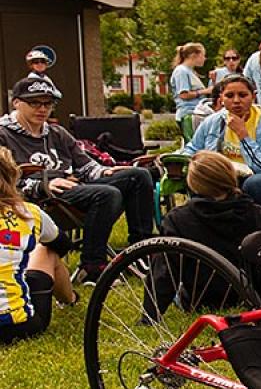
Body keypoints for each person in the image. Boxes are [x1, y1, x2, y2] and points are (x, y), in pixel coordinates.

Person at [1, 78, 155, 284]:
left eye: (48, 104)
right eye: (35, 103)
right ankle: (91, 266)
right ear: (17, 103)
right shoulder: (4, 135)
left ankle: (139, 253)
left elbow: (86, 167)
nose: (42, 109)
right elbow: (4, 181)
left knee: (138, 176)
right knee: (107, 194)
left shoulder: (56, 133)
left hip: (72, 189)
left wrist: (105, 172)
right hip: (36, 198)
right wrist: (41, 185)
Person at [160, 150, 261, 280]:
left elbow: (166, 270)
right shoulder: (258, 213)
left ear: (193, 183)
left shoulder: (176, 219)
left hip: (199, 292)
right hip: (252, 289)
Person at [181, 75, 261, 228]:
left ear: (253, 96)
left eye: (242, 95)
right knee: (202, 176)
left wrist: (243, 135)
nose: (236, 101)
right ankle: (208, 235)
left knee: (255, 183)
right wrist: (183, 160)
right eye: (229, 95)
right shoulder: (213, 121)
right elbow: (193, 148)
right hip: (225, 176)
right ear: (221, 98)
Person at [0, 146, 73, 344]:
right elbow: (63, 245)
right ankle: (69, 299)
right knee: (47, 249)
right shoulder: (28, 212)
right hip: (15, 325)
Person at [169, 43, 213, 137]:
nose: (204, 59)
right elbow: (183, 95)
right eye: (203, 55)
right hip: (188, 115)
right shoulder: (181, 71)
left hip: (196, 114)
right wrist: (205, 91)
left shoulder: (190, 72)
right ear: (194, 55)